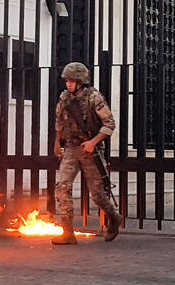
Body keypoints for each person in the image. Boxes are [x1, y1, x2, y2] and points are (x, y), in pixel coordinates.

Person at [51, 62, 123, 245]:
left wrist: (93, 142)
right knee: (62, 187)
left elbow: (109, 124)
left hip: (91, 150)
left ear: (81, 81)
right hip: (71, 149)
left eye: (72, 80)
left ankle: (114, 217)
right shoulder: (64, 98)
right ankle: (67, 232)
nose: (68, 84)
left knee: (97, 194)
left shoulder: (94, 98)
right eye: (67, 80)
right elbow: (59, 120)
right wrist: (57, 143)